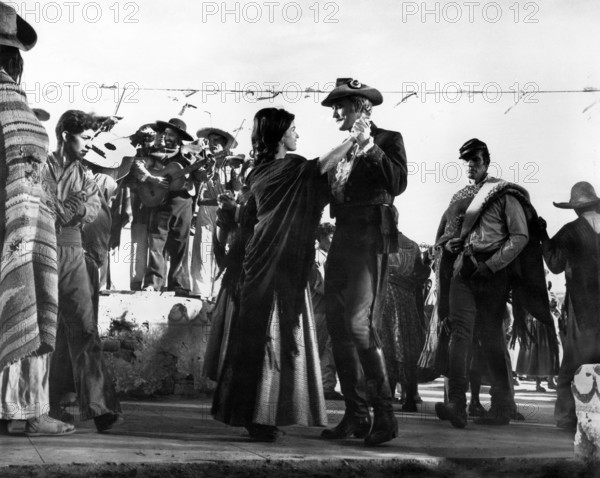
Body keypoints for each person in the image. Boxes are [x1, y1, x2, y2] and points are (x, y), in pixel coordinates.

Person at [211, 107, 359, 442]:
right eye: (293, 129)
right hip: (274, 264)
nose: (297, 134)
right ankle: (261, 417)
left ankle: (255, 416)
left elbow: (253, 216)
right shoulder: (289, 168)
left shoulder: (258, 172)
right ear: (279, 135)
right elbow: (320, 166)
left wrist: (233, 211)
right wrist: (353, 139)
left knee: (258, 339)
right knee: (270, 338)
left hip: (258, 263)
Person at [434, 138, 555, 428]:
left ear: (487, 162)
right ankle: (457, 404)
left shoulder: (505, 194)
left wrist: (492, 265)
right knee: (460, 334)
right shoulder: (458, 197)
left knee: (491, 337)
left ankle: (501, 406)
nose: (470, 167)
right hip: (464, 270)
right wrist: (449, 245)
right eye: (466, 162)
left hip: (493, 274)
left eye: (475, 161)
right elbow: (444, 236)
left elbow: (520, 237)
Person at [320, 78, 408, 446]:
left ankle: (384, 415)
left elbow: (397, 182)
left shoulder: (388, 139)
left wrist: (368, 145)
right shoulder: (341, 148)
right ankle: (356, 414)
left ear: (360, 106)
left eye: (340, 105)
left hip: (371, 237)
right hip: (342, 238)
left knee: (359, 324)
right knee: (338, 326)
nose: (335, 112)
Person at [0, 2, 74, 436]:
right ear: (13, 60)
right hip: (17, 236)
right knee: (23, 303)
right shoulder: (14, 107)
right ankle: (25, 412)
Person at [43, 109, 122, 432]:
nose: (90, 145)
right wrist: (70, 206)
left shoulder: (88, 176)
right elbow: (44, 206)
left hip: (74, 252)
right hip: (42, 247)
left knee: (85, 330)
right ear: (65, 135)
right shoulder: (39, 165)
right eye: (85, 138)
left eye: (93, 139)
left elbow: (88, 213)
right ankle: (37, 406)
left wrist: (68, 206)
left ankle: (100, 406)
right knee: (40, 331)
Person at [538, 181, 600, 432]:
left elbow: (554, 264)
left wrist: (542, 235)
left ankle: (566, 418)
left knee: (573, 364)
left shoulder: (571, 231)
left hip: (581, 310)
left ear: (575, 208)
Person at [136, 118, 195, 294]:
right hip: (160, 201)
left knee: (180, 244)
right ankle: (153, 284)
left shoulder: (189, 157)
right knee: (156, 242)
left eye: (172, 135)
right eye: (166, 134)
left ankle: (180, 285)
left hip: (182, 202)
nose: (168, 137)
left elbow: (200, 177)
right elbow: (137, 167)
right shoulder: (153, 154)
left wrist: (206, 171)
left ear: (180, 138)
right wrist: (151, 177)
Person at [379, 233, 430, 412]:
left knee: (387, 347)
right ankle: (410, 396)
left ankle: (388, 395)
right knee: (406, 347)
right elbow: (422, 272)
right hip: (406, 300)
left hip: (386, 298)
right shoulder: (413, 245)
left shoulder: (380, 241)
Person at [190, 127, 240, 298]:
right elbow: (200, 178)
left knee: (222, 248)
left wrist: (238, 170)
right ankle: (200, 290)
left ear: (225, 145)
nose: (213, 145)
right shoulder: (203, 161)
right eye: (210, 141)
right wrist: (209, 167)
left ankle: (219, 291)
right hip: (205, 206)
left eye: (217, 141)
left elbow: (239, 187)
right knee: (202, 248)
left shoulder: (232, 162)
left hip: (224, 209)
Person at [310, 222, 342, 400]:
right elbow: (320, 286)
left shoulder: (330, 256)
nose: (333, 240)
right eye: (330, 237)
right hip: (319, 310)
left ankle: (326, 386)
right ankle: (321, 386)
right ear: (321, 238)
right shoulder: (317, 257)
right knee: (320, 348)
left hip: (329, 310)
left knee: (328, 349)